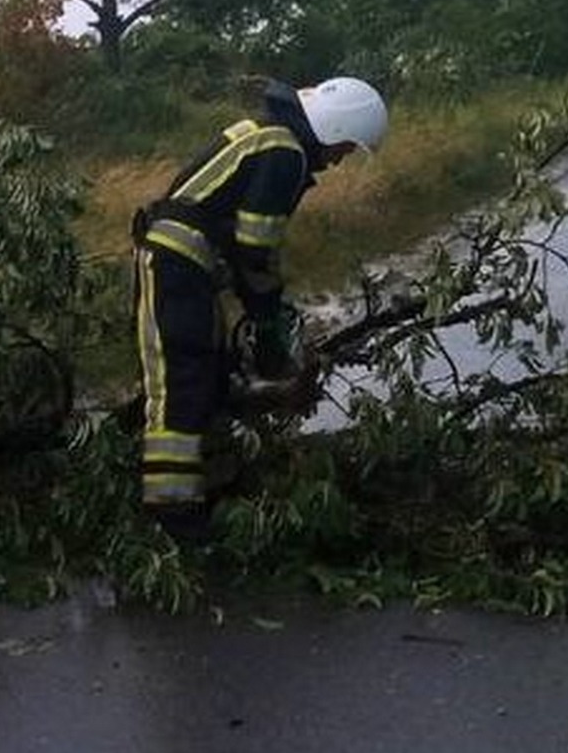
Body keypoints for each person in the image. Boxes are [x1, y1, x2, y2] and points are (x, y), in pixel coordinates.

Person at [132, 76, 389, 543]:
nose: (339, 161)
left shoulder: (270, 135)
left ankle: (201, 485)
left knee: (207, 376)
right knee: (181, 385)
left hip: (185, 265)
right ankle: (173, 522)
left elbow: (237, 236)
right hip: (176, 267)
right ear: (334, 128)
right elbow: (255, 249)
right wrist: (269, 315)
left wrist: (264, 306)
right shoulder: (286, 153)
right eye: (346, 148)